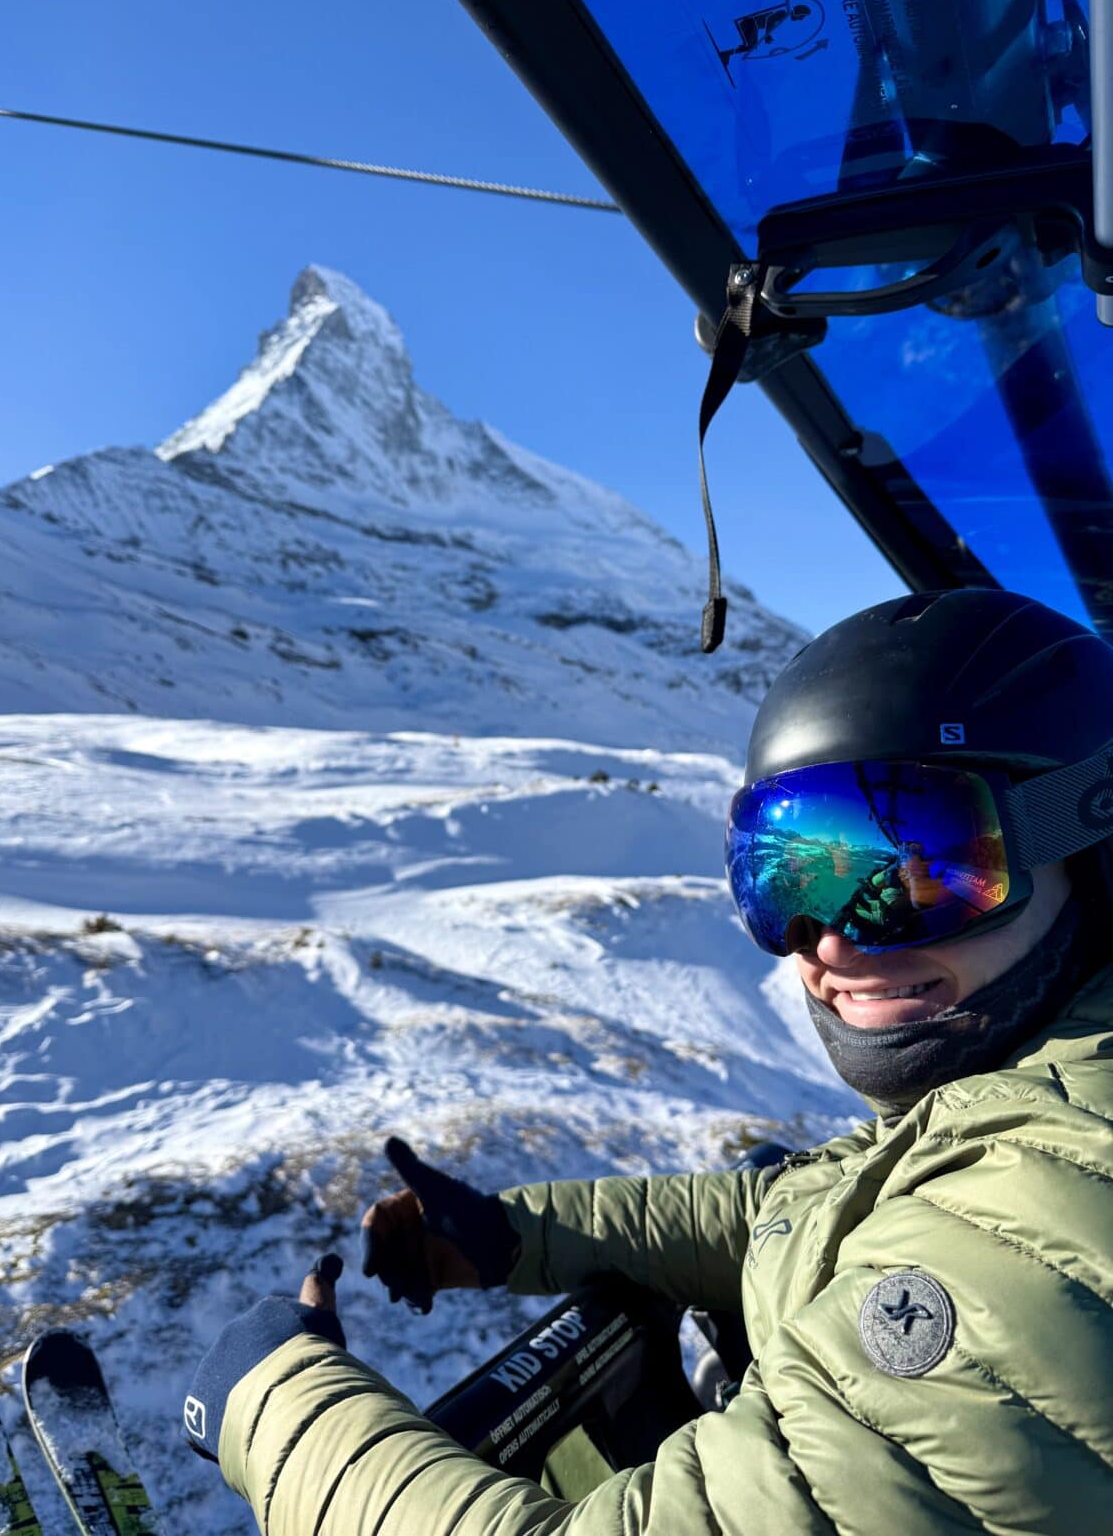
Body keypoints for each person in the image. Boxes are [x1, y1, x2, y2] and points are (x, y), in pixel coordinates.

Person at [182, 588, 1113, 1532]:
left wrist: (282, 1405)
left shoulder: (1042, 1220)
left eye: (923, 867)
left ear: (1090, 842)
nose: (830, 943)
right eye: (787, 877)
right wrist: (521, 1234)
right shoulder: (1041, 1088)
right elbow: (818, 1198)